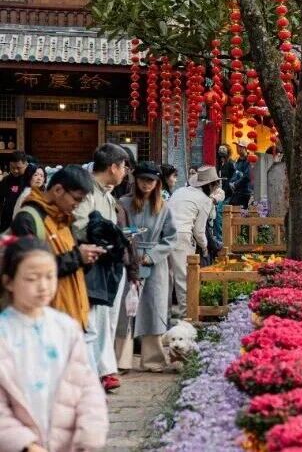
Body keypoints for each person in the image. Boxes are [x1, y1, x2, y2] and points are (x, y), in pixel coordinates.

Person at [0, 236, 108, 452]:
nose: (43, 286)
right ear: (9, 282)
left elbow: (87, 387)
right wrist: (24, 444)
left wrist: (89, 435)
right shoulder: (4, 333)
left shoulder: (66, 327)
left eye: (50, 276)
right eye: (32, 279)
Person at [73, 144, 137, 391]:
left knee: (105, 321)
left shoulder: (108, 195)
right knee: (93, 322)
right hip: (91, 264)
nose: (125, 172)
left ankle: (103, 370)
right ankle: (95, 373)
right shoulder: (88, 191)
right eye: (123, 167)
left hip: (109, 263)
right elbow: (79, 227)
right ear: (113, 167)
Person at [119, 162, 177, 372]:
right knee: (125, 309)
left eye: (151, 180)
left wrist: (152, 256)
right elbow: (118, 230)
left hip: (155, 263)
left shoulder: (164, 207)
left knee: (154, 308)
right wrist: (129, 253)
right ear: (136, 180)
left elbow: (171, 238)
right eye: (143, 180)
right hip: (128, 260)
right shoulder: (123, 203)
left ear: (158, 183)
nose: (146, 184)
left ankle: (153, 360)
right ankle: (121, 360)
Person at [166, 166, 220, 322]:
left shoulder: (180, 191)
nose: (215, 189)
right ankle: (186, 316)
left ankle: (164, 314)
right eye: (215, 185)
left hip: (163, 233)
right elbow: (199, 231)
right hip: (181, 235)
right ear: (210, 185)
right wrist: (204, 248)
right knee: (183, 277)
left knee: (166, 277)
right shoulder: (204, 200)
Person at [0, 151, 30, 232]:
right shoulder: (6, 180)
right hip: (7, 223)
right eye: (12, 167)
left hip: (25, 223)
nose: (15, 171)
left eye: (18, 168)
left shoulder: (31, 180)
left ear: (26, 165)